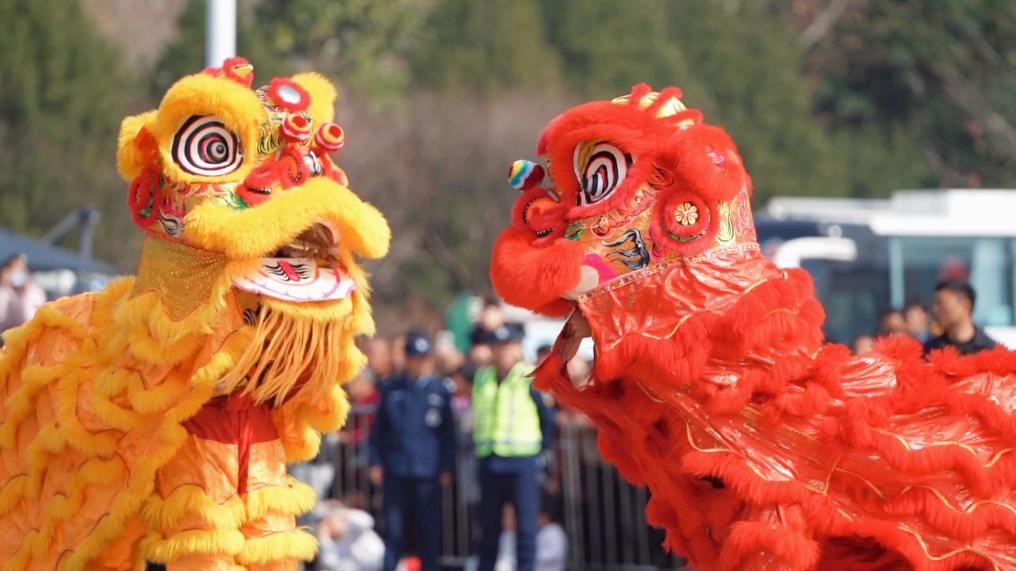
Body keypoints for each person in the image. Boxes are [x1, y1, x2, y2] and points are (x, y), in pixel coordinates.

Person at [369, 331, 456, 571]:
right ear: (406, 358)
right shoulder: (391, 388)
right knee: (394, 529)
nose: (419, 363)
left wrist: (446, 466)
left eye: (423, 358)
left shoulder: (439, 390)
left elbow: (448, 434)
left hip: (428, 470)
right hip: (396, 468)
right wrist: (376, 462)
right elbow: (378, 431)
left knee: (429, 529)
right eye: (415, 358)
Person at [473, 323, 556, 571]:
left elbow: (547, 419)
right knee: (488, 527)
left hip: (522, 461)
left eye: (508, 346)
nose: (503, 352)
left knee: (526, 526)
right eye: (498, 346)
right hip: (489, 460)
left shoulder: (530, 375)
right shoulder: (482, 376)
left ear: (518, 347)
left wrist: (542, 454)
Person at [923, 280, 997, 355]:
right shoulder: (930, 350)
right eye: (935, 304)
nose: (935, 310)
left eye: (941, 303)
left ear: (965, 305)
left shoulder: (991, 351)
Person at [316, 499, 385, 571]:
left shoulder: (352, 525)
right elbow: (328, 563)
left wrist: (343, 513)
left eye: (330, 521)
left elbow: (368, 521)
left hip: (381, 563)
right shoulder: (329, 542)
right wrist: (324, 539)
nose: (329, 526)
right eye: (326, 524)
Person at [0, 253, 47, 336]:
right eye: (13, 268)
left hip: (29, 336)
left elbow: (30, 317)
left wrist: (24, 291)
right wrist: (5, 286)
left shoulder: (35, 291)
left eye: (20, 268)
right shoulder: (4, 291)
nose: (16, 272)